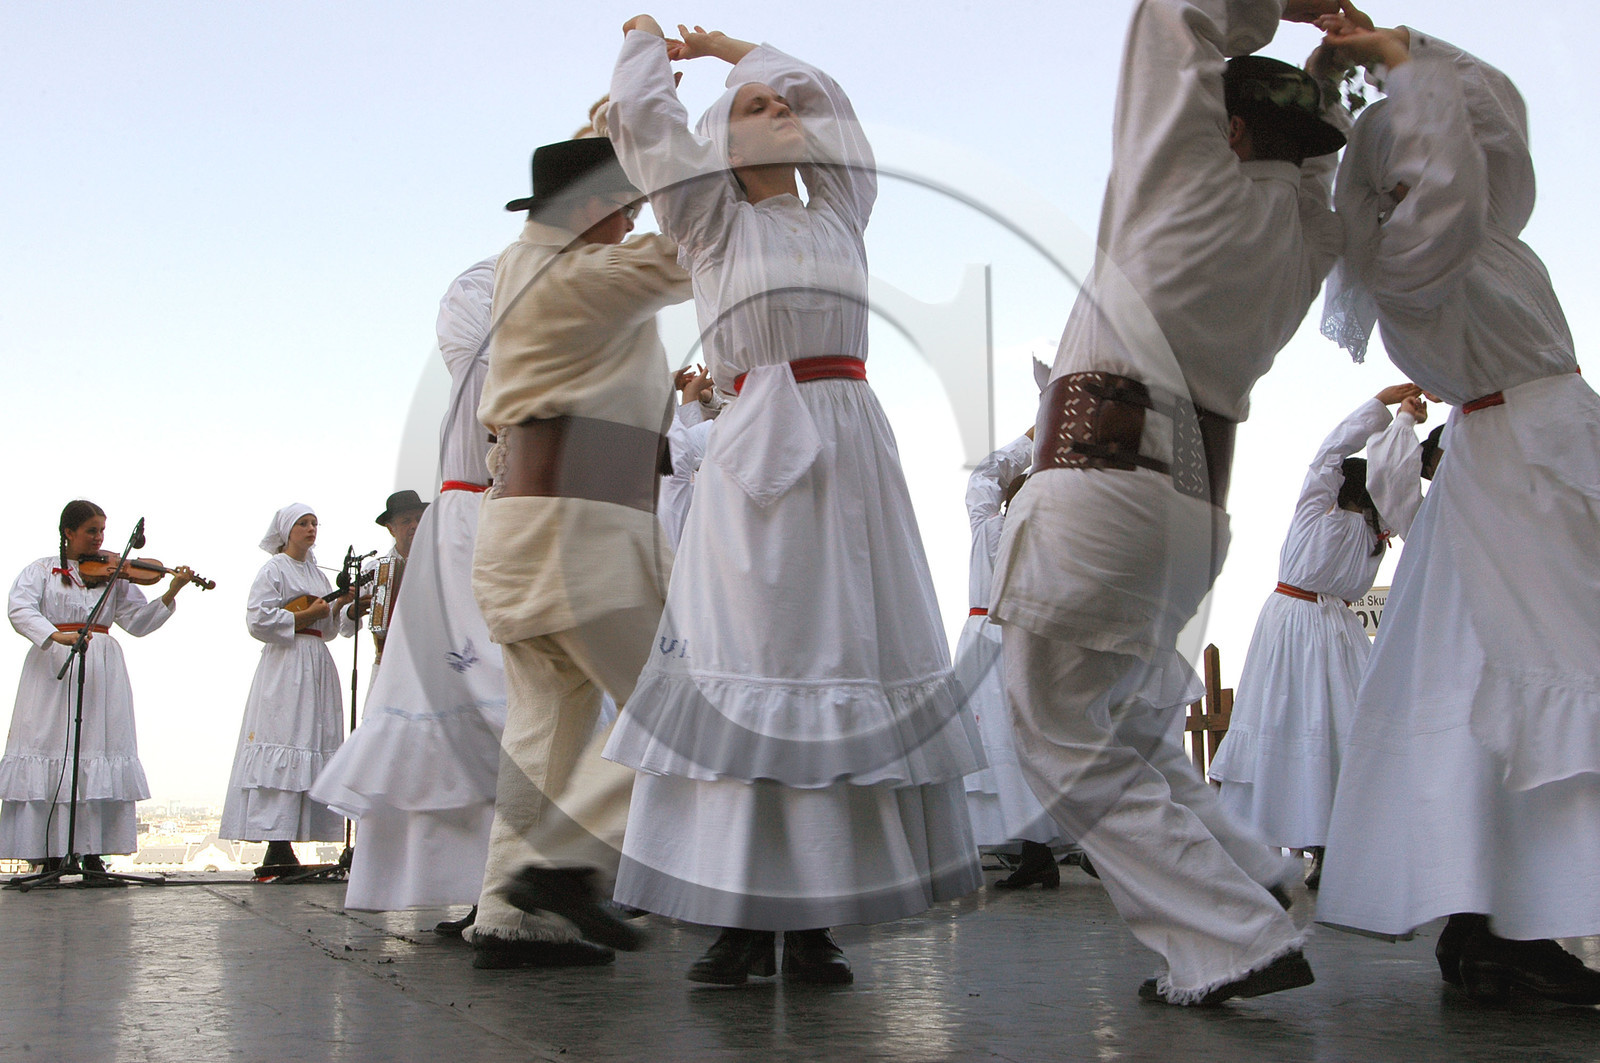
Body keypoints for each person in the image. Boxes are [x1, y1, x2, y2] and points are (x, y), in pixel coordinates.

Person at [603, 17, 984, 987]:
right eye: (758, 109)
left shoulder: (839, 210)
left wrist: (737, 55)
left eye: (786, 104)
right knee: (758, 654)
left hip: (850, 439)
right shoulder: (710, 221)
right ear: (722, 149)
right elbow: (649, 124)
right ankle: (737, 910)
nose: (784, 108)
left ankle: (813, 914)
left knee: (841, 651)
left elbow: (832, 102)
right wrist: (647, 41)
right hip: (758, 446)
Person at [989, 0, 1349, 1005]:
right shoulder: (1309, 234)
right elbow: (1313, 166)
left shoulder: (1185, 186)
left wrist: (1266, 10)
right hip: (1191, 509)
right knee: (1131, 722)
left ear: (1227, 130)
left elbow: (1171, 20)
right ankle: (1254, 874)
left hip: (1109, 482)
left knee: (1055, 730)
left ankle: (1228, 934)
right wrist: (1321, 70)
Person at [1314, 10, 1600, 1005]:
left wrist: (1402, 49)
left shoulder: (1480, 235)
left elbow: (1495, 138)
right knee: (1535, 676)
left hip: (1536, 458)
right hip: (1519, 472)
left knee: (1492, 690)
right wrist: (1401, 73)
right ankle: (1494, 926)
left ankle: (1495, 923)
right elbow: (1451, 176)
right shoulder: (1409, 255)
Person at [467, 134, 691, 969]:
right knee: (685, 702)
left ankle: (506, 914)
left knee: (543, 731)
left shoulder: (520, 262)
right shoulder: (588, 279)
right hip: (583, 530)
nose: (634, 217)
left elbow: (600, 168)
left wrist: (625, 113)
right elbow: (697, 247)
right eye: (625, 205)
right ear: (597, 210)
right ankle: (563, 862)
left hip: (525, 526)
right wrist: (672, 151)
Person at [311, 258, 508, 926]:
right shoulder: (482, 297)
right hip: (471, 537)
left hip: (521, 525)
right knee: (471, 708)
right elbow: (470, 328)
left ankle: (508, 884)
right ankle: (483, 883)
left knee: (517, 710)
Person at [1207, 386, 1424, 888]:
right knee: (1321, 728)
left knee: (1325, 728)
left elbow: (1329, 454)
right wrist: (1390, 416)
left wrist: (1387, 412)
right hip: (1309, 624)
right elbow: (1352, 463)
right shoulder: (1365, 530)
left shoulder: (1348, 523)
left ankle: (1326, 846)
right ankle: (1317, 847)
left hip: (1316, 625)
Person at [0, 501, 194, 868]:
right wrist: (53, 635)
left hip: (102, 667)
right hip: (54, 662)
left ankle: (93, 853)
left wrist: (171, 593)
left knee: (98, 748)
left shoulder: (115, 574)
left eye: (102, 531)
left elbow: (137, 622)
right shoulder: (40, 570)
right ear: (68, 532)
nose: (99, 538)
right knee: (52, 747)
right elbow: (19, 608)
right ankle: (51, 853)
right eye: (91, 531)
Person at [958, 430, 1072, 889]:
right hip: (1027, 640)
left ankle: (1026, 850)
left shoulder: (989, 524)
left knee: (988, 743)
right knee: (1020, 741)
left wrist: (1031, 438)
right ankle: (1034, 850)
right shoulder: (1052, 543)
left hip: (988, 638)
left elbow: (985, 474)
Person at [220, 504, 354, 870]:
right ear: (286, 531)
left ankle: (289, 842)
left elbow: (329, 631)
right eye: (303, 523)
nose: (311, 529)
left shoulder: (318, 575)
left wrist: (340, 606)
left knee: (310, 739)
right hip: (286, 662)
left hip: (315, 663)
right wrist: (303, 616)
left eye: (314, 523)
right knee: (284, 736)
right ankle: (275, 842)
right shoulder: (274, 569)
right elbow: (257, 619)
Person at [360, 489, 429, 666]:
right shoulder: (375, 570)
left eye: (419, 519)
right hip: (389, 662)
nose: (414, 525)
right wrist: (353, 611)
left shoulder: (437, 565)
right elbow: (344, 626)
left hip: (429, 662)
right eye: (406, 521)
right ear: (391, 529)